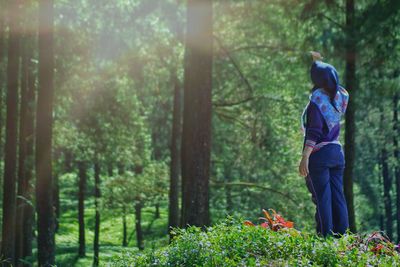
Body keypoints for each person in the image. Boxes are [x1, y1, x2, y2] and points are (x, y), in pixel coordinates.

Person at [298, 51, 350, 238]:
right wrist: (317, 61)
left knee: (323, 199)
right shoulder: (339, 96)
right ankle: (342, 237)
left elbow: (314, 132)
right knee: (338, 197)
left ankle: (325, 237)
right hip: (337, 153)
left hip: (319, 155)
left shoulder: (317, 102)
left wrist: (305, 157)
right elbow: (327, 74)